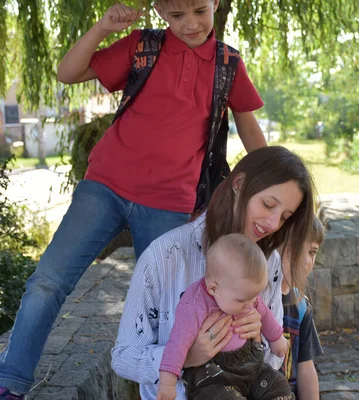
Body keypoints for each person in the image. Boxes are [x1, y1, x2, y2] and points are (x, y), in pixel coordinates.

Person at [0, 0, 267, 397]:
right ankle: (11, 382)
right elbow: (67, 72)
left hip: (170, 204)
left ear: (214, 3)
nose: (191, 24)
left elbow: (249, 129)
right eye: (177, 16)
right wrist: (104, 28)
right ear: (159, 10)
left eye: (199, 11)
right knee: (47, 282)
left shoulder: (228, 65)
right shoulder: (143, 46)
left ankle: (183, 390)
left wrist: (270, 186)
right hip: (104, 186)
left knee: (177, 309)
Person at [112, 146, 315, 400]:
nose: (273, 224)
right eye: (268, 204)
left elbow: (272, 362)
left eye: (285, 217)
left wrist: (256, 340)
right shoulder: (164, 256)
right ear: (239, 184)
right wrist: (187, 356)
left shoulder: (269, 261)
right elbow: (124, 356)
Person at [157, 233, 293, 400]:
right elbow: (177, 344)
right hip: (212, 376)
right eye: (242, 300)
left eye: (254, 297)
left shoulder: (243, 294)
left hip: (250, 363)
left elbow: (264, 313)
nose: (251, 304)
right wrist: (167, 383)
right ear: (214, 289)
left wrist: (276, 337)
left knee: (278, 385)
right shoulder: (194, 306)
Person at [280, 218, 324, 399]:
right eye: (298, 248)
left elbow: (306, 366)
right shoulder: (255, 300)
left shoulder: (300, 306)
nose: (307, 260)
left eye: (312, 252)